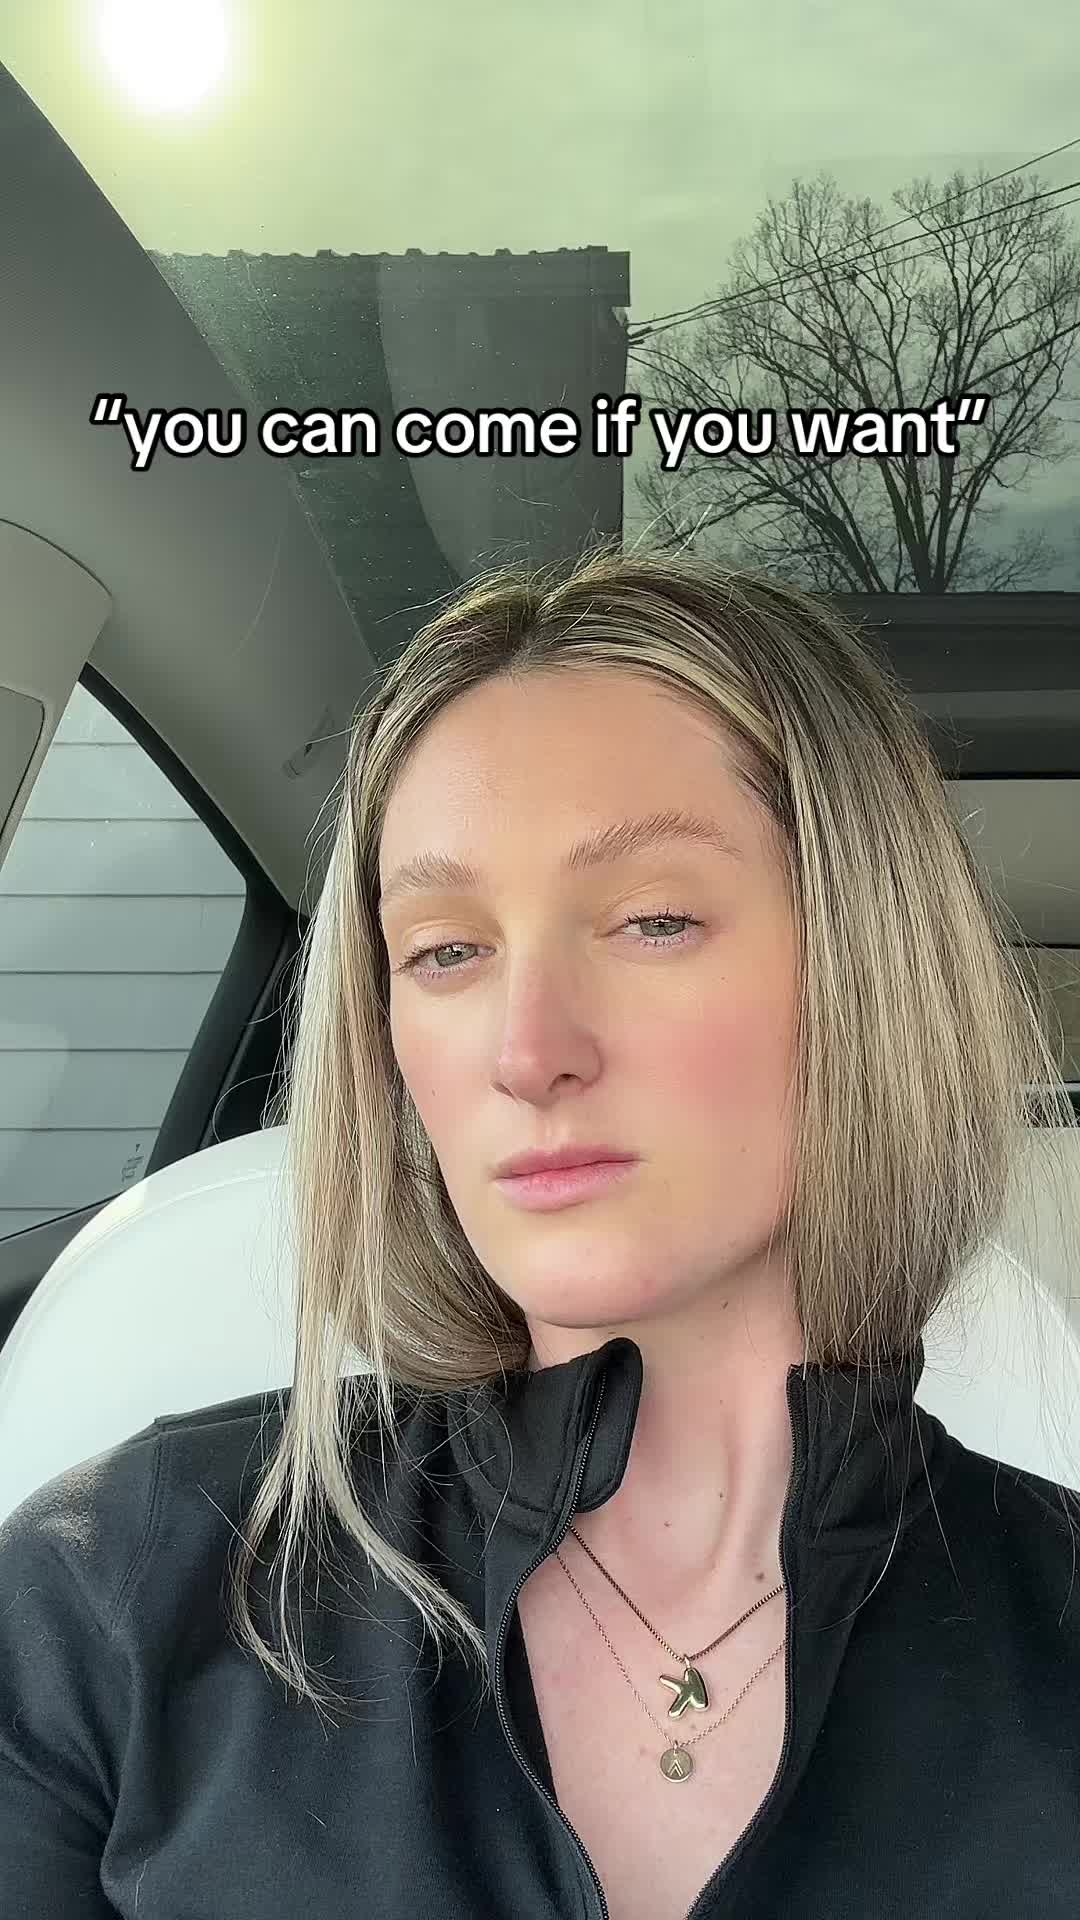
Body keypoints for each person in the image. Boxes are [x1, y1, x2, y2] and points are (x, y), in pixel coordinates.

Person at [1, 542, 1078, 1920]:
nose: (527, 1051)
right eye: (445, 950)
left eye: (653, 920)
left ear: (868, 974)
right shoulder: (114, 1593)